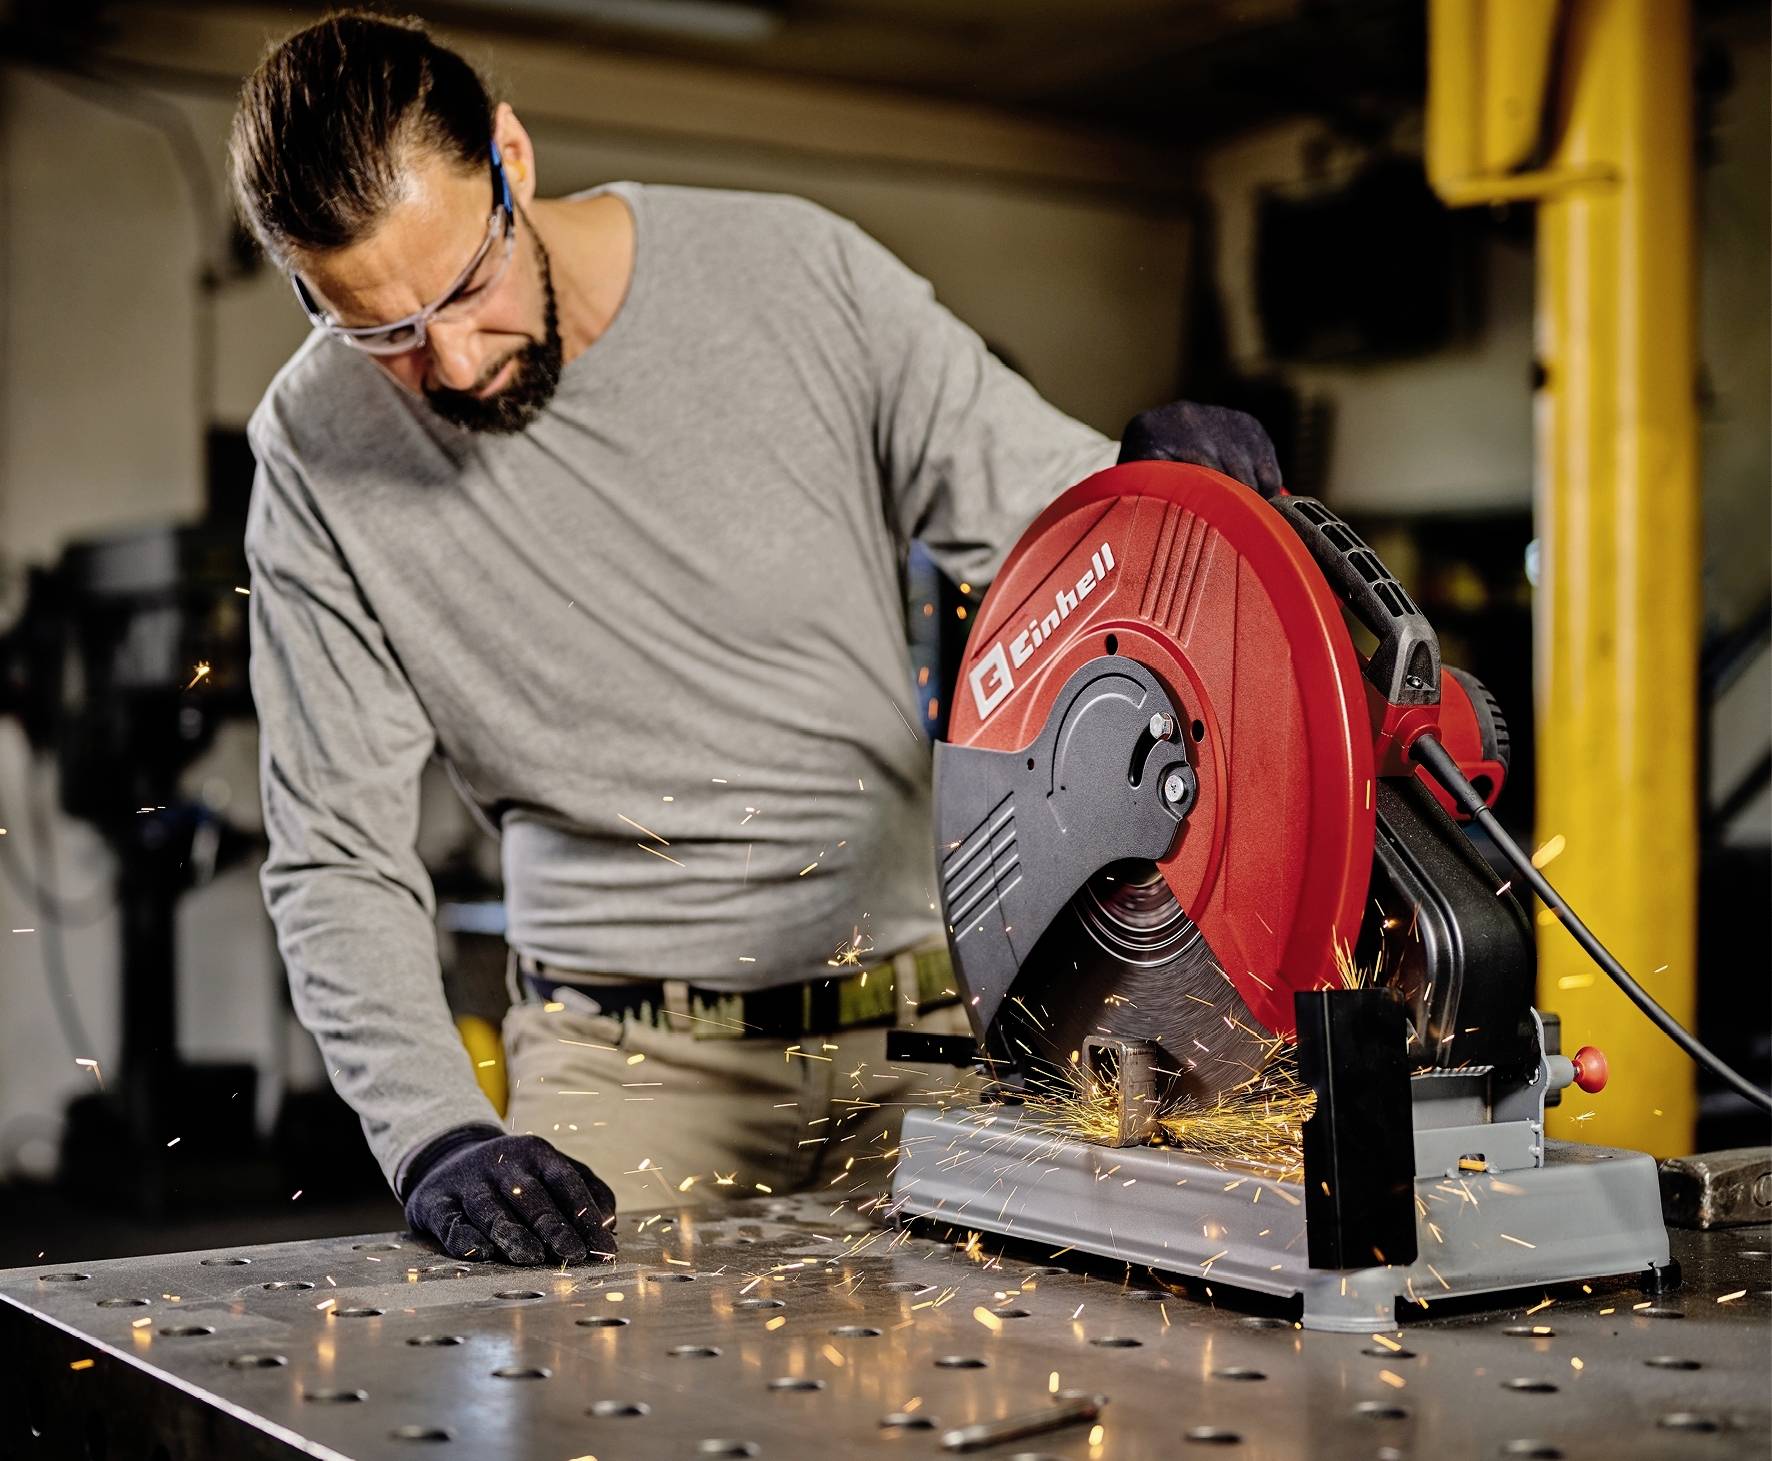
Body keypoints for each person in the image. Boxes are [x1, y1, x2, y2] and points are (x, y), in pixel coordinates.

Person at [229, 12, 1282, 1267]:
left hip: (923, 1034)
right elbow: (333, 850)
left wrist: (1157, 500)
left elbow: (1047, 528)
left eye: (465, 288)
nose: (450, 362)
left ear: (508, 156)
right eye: (378, 334)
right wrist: (435, 1132)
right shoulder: (309, 453)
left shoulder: (793, 270)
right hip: (622, 1073)